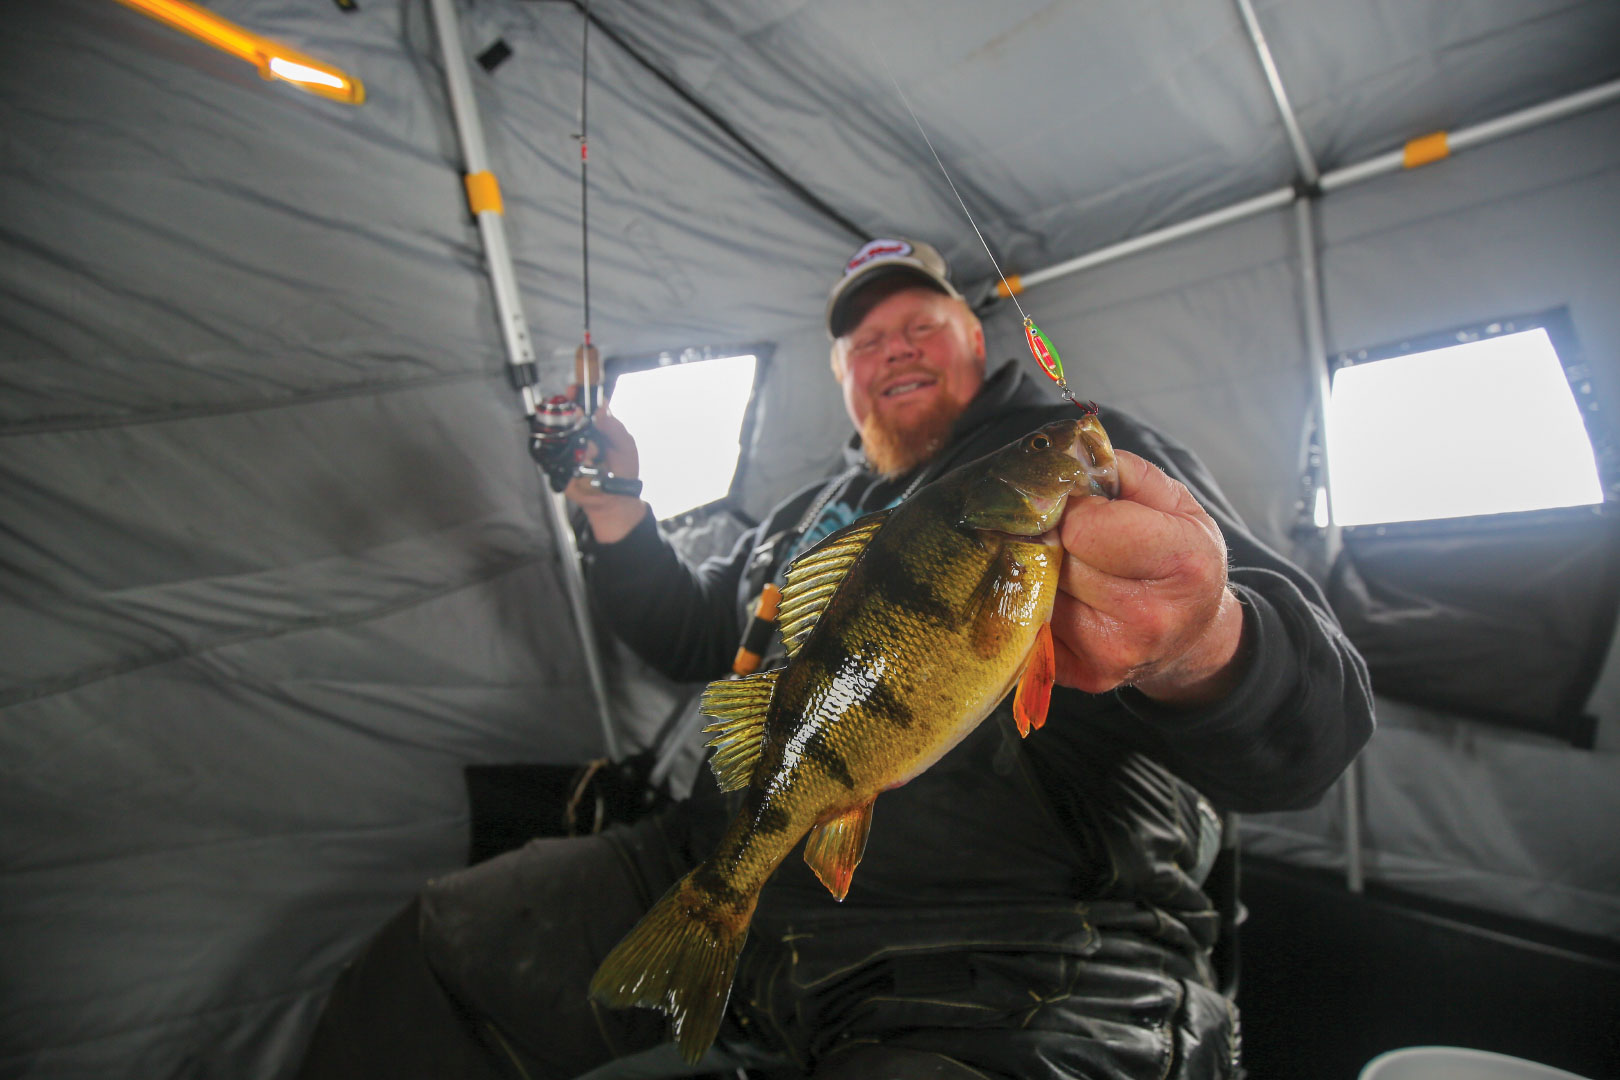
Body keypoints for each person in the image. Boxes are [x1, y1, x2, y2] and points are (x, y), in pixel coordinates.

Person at [297, 237, 1373, 1080]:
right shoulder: (811, 513)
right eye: (866, 343)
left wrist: (1204, 640)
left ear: (975, 344)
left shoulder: (1082, 456)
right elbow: (694, 636)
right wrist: (617, 509)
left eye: (921, 324)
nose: (894, 347)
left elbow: (1316, 722)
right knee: (446, 947)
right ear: (844, 384)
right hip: (739, 843)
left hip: (1018, 936)